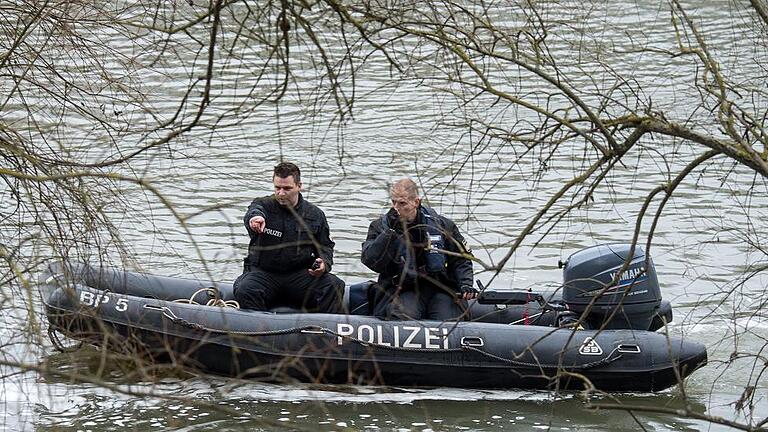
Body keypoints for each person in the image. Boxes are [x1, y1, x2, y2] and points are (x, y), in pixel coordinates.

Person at [233, 162, 344, 313]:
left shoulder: (315, 214)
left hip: (299, 276)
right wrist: (255, 219)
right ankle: (260, 330)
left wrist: (324, 263)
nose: (281, 193)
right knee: (244, 289)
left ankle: (321, 331)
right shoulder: (263, 205)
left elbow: (325, 246)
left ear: (299, 186)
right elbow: (254, 211)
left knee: (334, 285)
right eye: (277, 188)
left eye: (287, 188)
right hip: (264, 274)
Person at [361, 178, 477, 320]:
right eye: (394, 202)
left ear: (416, 202)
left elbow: (461, 259)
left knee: (448, 319)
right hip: (402, 289)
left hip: (440, 287)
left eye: (402, 203)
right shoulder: (381, 227)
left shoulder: (442, 225)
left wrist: (465, 283)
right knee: (403, 316)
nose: (396, 208)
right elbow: (370, 260)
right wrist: (388, 235)